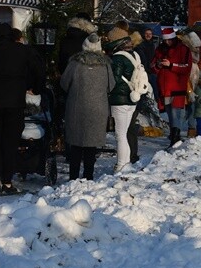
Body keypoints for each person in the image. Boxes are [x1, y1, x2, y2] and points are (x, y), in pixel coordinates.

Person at [0, 23, 46, 195]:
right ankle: (8, 182)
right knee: (10, 142)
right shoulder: (23, 51)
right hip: (15, 102)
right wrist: (35, 88)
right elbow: (39, 70)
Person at [61, 33, 114, 181]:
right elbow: (112, 86)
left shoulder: (74, 63)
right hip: (98, 109)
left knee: (76, 144)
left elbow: (64, 83)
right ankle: (88, 176)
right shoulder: (105, 64)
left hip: (76, 108)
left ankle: (73, 177)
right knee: (91, 146)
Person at [106, 25, 143, 170]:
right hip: (133, 98)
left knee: (120, 135)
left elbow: (114, 80)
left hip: (119, 100)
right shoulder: (135, 55)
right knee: (126, 132)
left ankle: (121, 164)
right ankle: (126, 163)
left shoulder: (118, 58)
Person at [153, 27, 192, 147]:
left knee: (176, 113)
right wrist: (158, 65)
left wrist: (171, 65)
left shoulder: (183, 49)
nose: (167, 43)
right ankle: (174, 136)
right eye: (165, 41)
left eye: (169, 40)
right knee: (170, 113)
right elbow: (153, 65)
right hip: (165, 87)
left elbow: (186, 67)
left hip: (177, 86)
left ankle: (175, 138)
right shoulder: (160, 49)